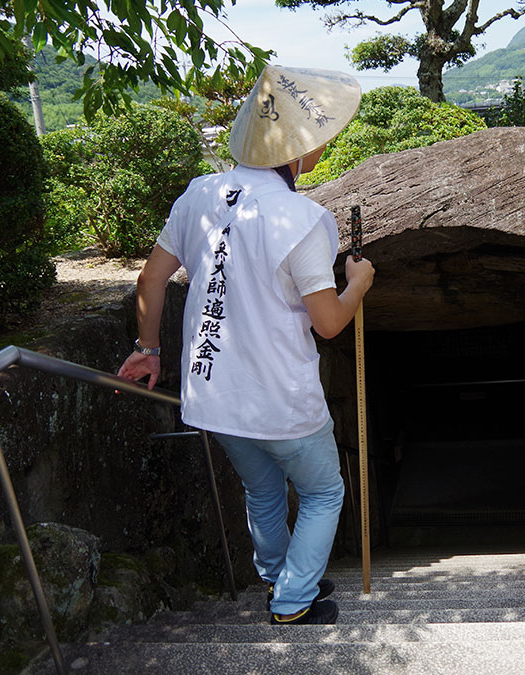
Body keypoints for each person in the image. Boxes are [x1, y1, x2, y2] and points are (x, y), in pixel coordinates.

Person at [117, 65, 375, 625]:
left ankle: (283, 575)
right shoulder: (304, 219)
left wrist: (150, 348)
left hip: (213, 394)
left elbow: (150, 280)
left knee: (262, 491)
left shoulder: (198, 196)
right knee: (325, 492)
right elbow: (329, 322)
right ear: (299, 150)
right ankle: (292, 600)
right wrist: (358, 282)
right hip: (281, 397)